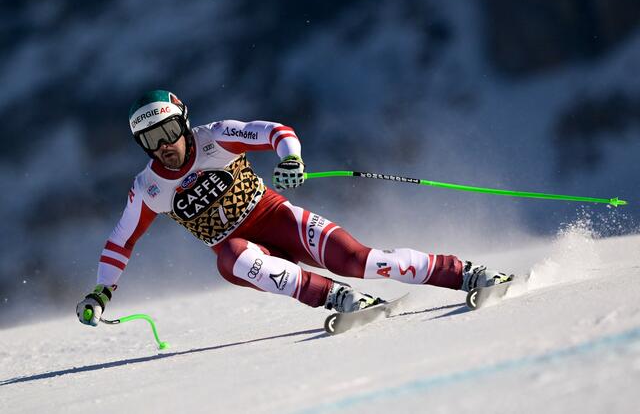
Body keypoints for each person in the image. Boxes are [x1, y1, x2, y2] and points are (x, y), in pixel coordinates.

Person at [76, 90, 510, 326]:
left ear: (184, 123)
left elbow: (274, 131)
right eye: (151, 140)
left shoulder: (215, 138)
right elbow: (121, 241)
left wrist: (291, 159)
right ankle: (336, 298)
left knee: (359, 259)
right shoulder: (149, 187)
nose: (165, 146)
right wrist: (102, 291)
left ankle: (464, 273)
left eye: (169, 130)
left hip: (277, 218)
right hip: (245, 250)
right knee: (233, 258)